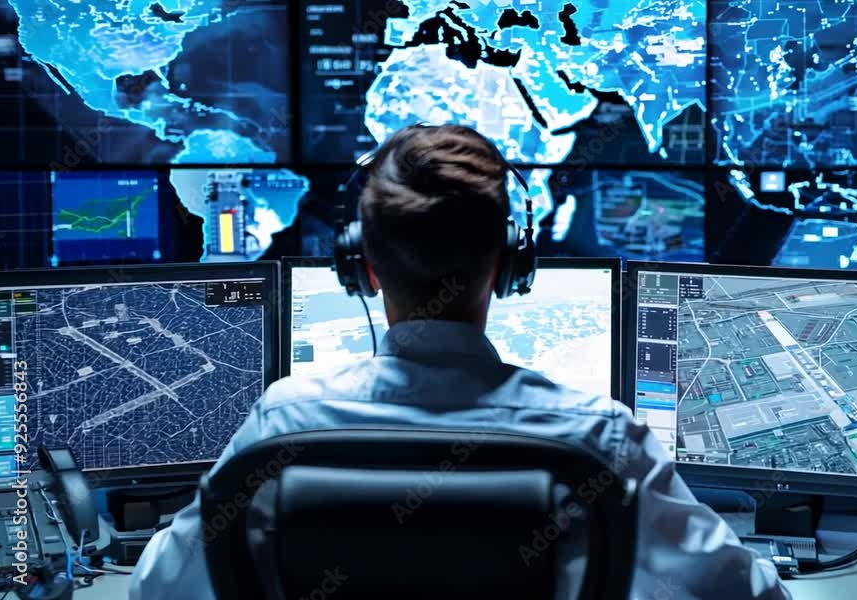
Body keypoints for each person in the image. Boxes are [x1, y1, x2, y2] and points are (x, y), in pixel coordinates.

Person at [129, 124, 790, 600]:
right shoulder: (600, 439)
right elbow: (745, 593)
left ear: (360, 270)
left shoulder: (284, 427)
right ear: (510, 268)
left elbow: (159, 587)